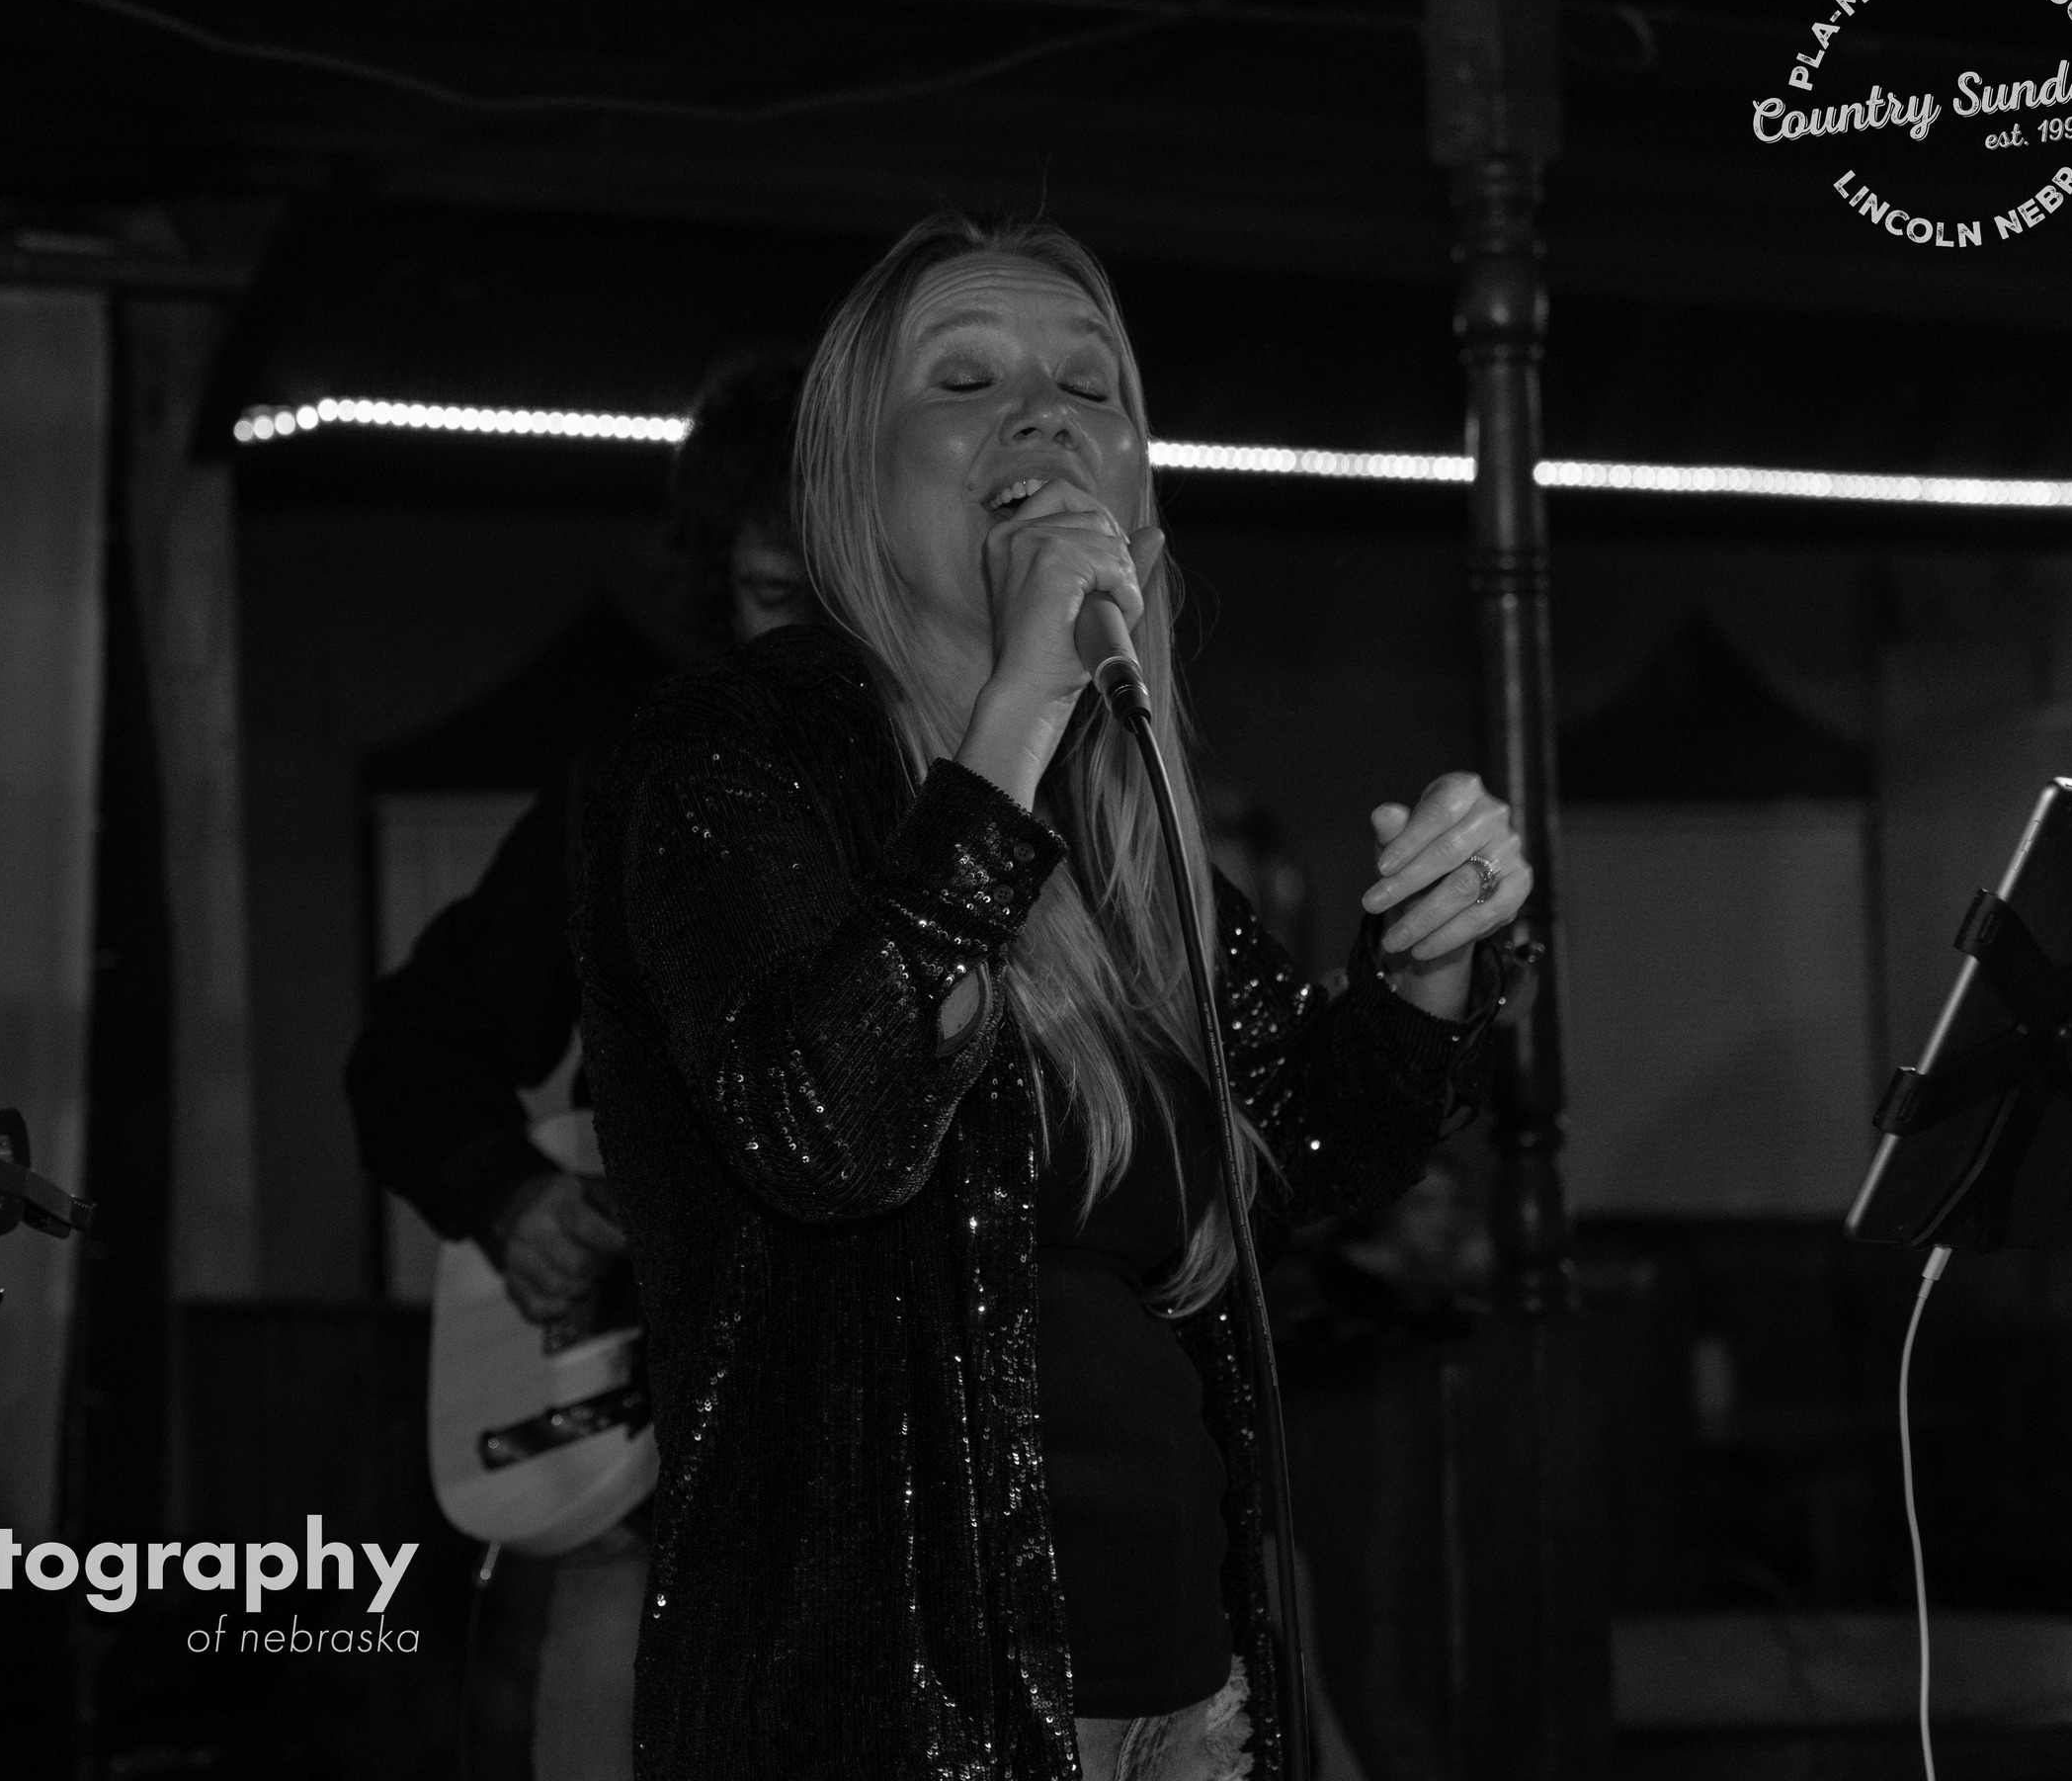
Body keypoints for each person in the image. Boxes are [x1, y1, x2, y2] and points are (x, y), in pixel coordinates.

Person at [574, 212, 1532, 1780]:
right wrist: (1018, 709)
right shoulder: (729, 758)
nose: (1045, 413)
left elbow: (1307, 1148)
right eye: (966, 380)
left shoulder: (1117, 813)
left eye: (1092, 386)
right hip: (892, 1710)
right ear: (849, 475)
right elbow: (827, 1128)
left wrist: (1430, 960)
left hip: (1182, 1687)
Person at [346, 347, 815, 1781]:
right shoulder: (636, 784)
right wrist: (510, 1193)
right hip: (657, 1493)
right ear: (718, 591)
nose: (808, 648)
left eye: (848, 601)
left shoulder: (983, 803)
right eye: (774, 598)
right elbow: (413, 1044)